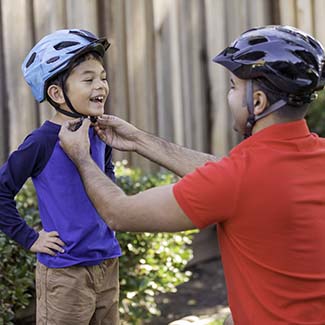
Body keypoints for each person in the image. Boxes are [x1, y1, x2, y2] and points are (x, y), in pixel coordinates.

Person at [59, 25, 325, 324]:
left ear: (259, 102)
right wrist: (138, 141)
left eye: (233, 87)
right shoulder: (304, 159)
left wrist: (81, 157)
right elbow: (226, 178)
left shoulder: (239, 178)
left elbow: (120, 213)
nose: (230, 95)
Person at [0, 29, 121, 324]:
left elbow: (107, 177)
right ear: (56, 93)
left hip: (107, 263)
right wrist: (30, 238)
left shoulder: (99, 132)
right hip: (65, 273)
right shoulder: (41, 142)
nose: (101, 85)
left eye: (103, 77)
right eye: (89, 78)